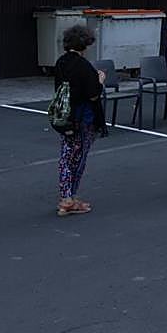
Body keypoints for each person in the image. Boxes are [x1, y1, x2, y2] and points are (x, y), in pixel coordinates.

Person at [53, 24, 107, 216]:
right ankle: (69, 198)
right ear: (85, 43)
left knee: (67, 156)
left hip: (65, 116)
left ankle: (66, 196)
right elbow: (93, 95)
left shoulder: (61, 62)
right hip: (83, 117)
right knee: (79, 157)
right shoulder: (84, 66)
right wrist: (100, 81)